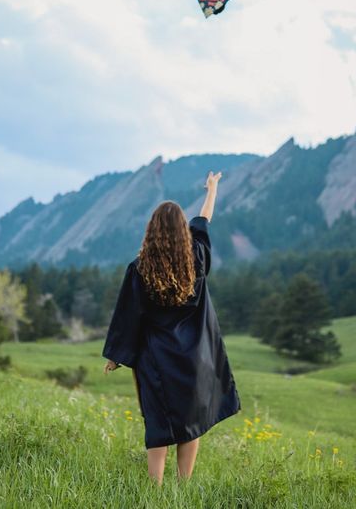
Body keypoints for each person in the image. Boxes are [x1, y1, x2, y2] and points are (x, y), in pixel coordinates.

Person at [102, 171, 241, 485]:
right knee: (191, 422)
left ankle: (155, 489)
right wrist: (212, 189)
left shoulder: (139, 270)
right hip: (195, 360)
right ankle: (183, 487)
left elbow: (128, 316)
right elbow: (204, 220)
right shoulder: (198, 258)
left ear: (151, 230)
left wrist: (116, 355)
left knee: (159, 423)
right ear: (183, 230)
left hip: (156, 360)